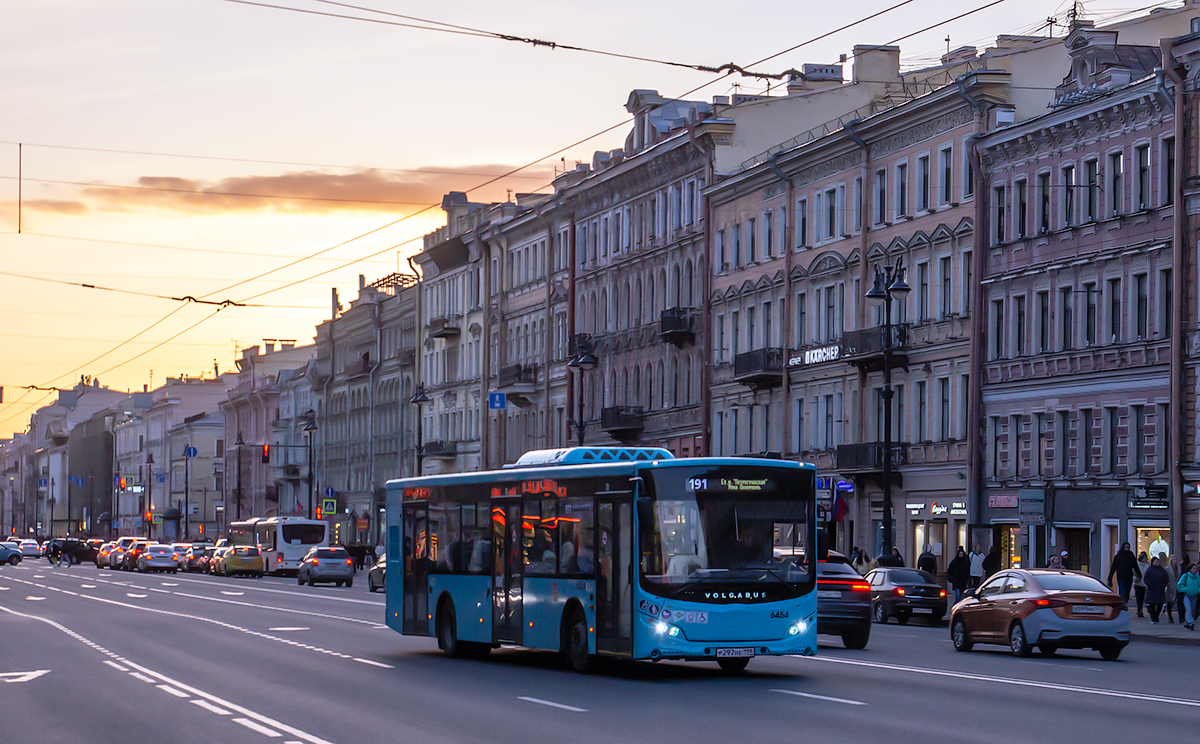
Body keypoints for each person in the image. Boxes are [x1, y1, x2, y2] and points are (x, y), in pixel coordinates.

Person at [1143, 556, 1168, 624]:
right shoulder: (1149, 569)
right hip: (1152, 590)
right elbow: (1146, 579)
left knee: (1160, 604)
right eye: (1155, 561)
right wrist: (1150, 585)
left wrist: (1163, 585)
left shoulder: (1162, 570)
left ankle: (1156, 615)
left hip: (1160, 589)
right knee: (1152, 605)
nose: (1157, 563)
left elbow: (1166, 578)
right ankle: (1153, 618)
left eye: (1158, 561)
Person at [1177, 562, 1200, 630]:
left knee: (1192, 610)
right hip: (1187, 595)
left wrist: (1198, 590)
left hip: (1194, 595)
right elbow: (1180, 585)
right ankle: (1190, 622)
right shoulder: (1185, 576)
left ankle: (1187, 624)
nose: (1196, 570)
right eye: (1194, 568)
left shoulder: (1198, 577)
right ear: (1190, 569)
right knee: (1188, 609)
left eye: (1196, 568)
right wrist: (1186, 589)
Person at [1133, 551, 1150, 618]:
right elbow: (1133, 574)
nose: (1144, 560)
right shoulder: (1137, 566)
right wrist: (1135, 579)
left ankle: (1142, 609)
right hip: (1138, 584)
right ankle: (1139, 610)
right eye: (1143, 558)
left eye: (1145, 558)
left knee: (1144, 597)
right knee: (1139, 598)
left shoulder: (1147, 566)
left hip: (1145, 584)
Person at [1164, 554, 1179, 624]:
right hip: (1170, 587)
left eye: (1176, 559)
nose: (1175, 561)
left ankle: (1181, 617)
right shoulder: (1167, 569)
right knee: (1169, 602)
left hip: (1177, 587)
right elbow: (1165, 577)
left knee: (1178, 602)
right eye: (1174, 559)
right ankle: (1170, 617)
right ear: (1171, 560)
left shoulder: (1179, 568)